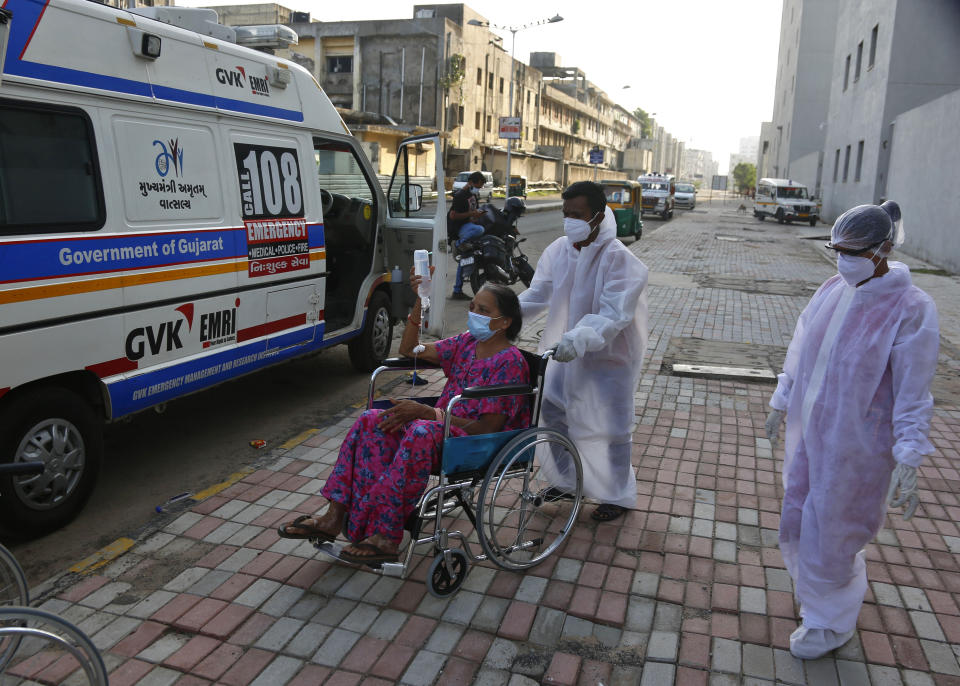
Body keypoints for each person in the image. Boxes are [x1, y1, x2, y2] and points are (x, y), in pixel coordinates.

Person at [765, 200, 939, 660]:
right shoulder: (833, 288)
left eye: (852, 252)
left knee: (835, 530)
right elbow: (802, 347)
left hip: (857, 446)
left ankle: (829, 623)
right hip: (811, 434)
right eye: (837, 249)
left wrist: (909, 455)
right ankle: (818, 595)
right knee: (802, 514)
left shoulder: (911, 308)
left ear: (883, 249)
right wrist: (782, 399)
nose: (842, 259)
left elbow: (913, 392)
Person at [276, 280, 530, 564]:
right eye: (473, 307)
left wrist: (429, 413)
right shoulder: (467, 343)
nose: (474, 314)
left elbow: (487, 429)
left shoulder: (510, 362)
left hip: (476, 444)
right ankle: (335, 516)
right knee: (372, 420)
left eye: (483, 310)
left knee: (420, 430)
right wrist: (420, 300)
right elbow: (410, 349)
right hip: (439, 431)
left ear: (505, 321)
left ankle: (386, 534)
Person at [518, 181, 649, 522]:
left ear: (598, 215)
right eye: (566, 214)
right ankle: (566, 480)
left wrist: (578, 339)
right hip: (563, 356)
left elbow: (613, 313)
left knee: (611, 428)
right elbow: (538, 294)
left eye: (576, 215)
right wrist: (501, 314)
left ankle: (617, 495)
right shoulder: (559, 250)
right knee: (554, 414)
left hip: (606, 361)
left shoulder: (621, 259)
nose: (569, 222)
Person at [448, 171, 487, 300]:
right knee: (480, 230)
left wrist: (478, 215)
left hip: (467, 228)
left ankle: (457, 290)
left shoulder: (473, 196)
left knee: (466, 259)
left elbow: (473, 213)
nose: (478, 189)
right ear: (471, 183)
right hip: (459, 230)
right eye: (478, 186)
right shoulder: (460, 195)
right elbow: (453, 215)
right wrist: (472, 214)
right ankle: (458, 244)